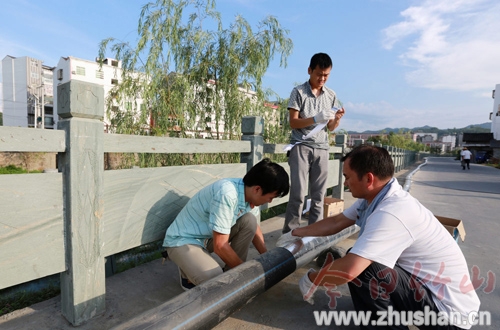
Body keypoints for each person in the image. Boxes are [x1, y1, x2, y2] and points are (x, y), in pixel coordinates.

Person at [279, 145, 480, 329]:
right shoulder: (375, 197)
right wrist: (296, 232)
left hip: (449, 316)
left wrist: (313, 278)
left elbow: (349, 270)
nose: (346, 183)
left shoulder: (392, 211)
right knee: (362, 260)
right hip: (431, 295)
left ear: (368, 179)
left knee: (367, 270)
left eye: (347, 177)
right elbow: (336, 222)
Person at [163, 158, 289, 290]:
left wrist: (267, 259)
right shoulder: (227, 194)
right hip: (184, 241)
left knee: (249, 220)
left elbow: (254, 228)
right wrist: (246, 273)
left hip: (207, 237)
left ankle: (232, 273)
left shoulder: (249, 195)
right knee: (216, 280)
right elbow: (220, 245)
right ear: (257, 189)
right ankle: (187, 271)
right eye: (271, 197)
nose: (269, 201)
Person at [282, 52, 345, 234]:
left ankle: (314, 235)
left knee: (319, 196)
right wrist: (315, 118)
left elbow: (331, 127)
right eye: (319, 74)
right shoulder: (298, 92)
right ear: (310, 70)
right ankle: (289, 235)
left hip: (322, 148)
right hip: (301, 146)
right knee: (298, 194)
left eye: (326, 75)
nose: (322, 79)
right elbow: (293, 122)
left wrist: (337, 119)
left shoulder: (331, 95)